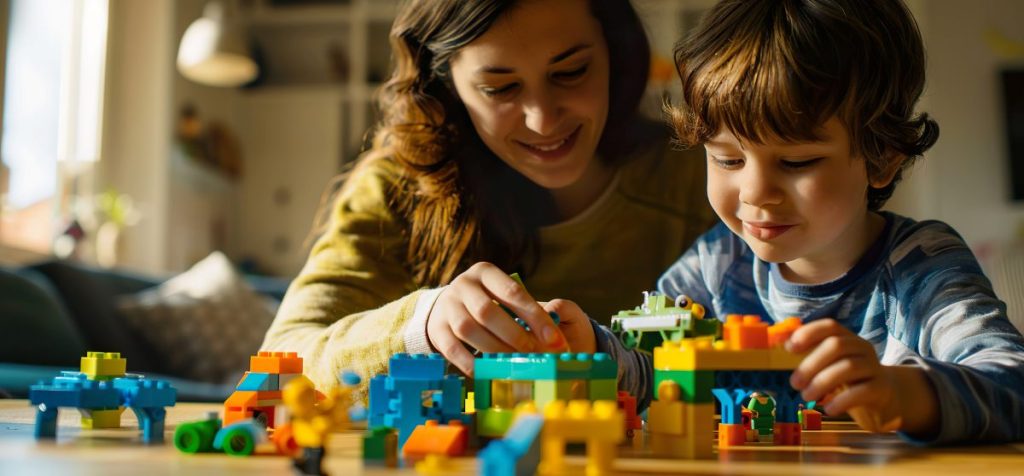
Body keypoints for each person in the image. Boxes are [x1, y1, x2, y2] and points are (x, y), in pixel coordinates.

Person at [553, 0, 1024, 444]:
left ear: (881, 159)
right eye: (728, 159)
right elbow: (652, 375)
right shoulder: (715, 265)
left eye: (797, 162)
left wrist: (905, 394)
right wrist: (587, 347)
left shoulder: (919, 267)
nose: (755, 192)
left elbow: (1012, 383)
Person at [260, 0, 717, 394]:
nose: (542, 120)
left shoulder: (703, 174)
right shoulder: (397, 191)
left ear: (614, 51)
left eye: (571, 72)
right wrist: (422, 325)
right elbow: (282, 361)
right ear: (446, 83)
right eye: (500, 88)